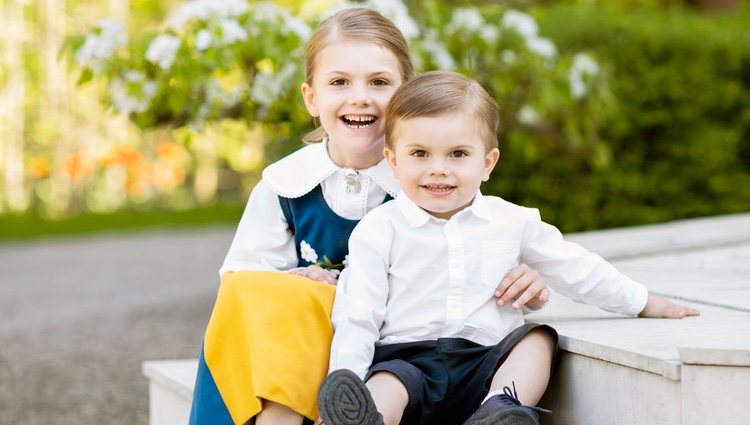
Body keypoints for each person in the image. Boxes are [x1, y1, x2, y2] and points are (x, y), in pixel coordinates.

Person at [188, 10, 550, 425]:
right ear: (311, 97)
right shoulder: (284, 185)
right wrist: (294, 283)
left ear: (404, 94)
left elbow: (471, 252)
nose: (359, 97)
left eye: (378, 82)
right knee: (268, 296)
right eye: (339, 82)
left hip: (394, 351)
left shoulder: (430, 182)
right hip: (299, 344)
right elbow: (240, 281)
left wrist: (526, 278)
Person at [317, 71, 701, 425]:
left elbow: (575, 267)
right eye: (420, 154)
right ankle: (361, 417)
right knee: (385, 384)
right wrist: (344, 377)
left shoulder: (512, 222)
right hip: (407, 361)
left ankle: (501, 408)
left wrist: (642, 301)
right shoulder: (379, 229)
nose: (438, 169)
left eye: (458, 154)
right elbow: (358, 314)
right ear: (393, 160)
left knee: (537, 340)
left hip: (482, 361)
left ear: (488, 163)